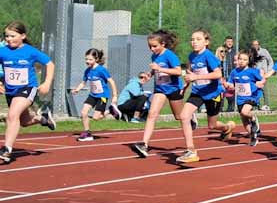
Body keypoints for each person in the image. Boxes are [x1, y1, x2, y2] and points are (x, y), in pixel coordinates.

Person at [0, 21, 56, 163]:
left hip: (27, 88)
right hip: (10, 91)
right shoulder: (2, 51)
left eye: (13, 36)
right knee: (24, 121)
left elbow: (50, 64)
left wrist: (47, 83)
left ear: (23, 36)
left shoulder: (30, 51)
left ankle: (6, 150)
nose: (9, 39)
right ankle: (43, 119)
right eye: (7, 36)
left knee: (12, 115)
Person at [130, 29, 186, 160]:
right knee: (152, 114)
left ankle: (190, 117)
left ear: (163, 44)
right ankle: (144, 144)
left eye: (154, 46)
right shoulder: (154, 56)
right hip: (160, 89)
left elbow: (178, 72)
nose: (152, 49)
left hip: (173, 88)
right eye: (150, 46)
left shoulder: (170, 55)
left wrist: (160, 69)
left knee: (179, 117)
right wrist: (150, 74)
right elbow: (155, 69)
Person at [176, 29, 226, 163]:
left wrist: (197, 77)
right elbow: (190, 73)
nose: (194, 42)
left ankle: (227, 128)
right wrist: (185, 86)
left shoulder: (209, 56)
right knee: (184, 116)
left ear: (206, 42)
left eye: (198, 39)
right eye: (192, 39)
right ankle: (191, 150)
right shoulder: (192, 56)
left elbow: (218, 74)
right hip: (197, 92)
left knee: (212, 125)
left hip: (213, 93)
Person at [71, 48, 118, 141]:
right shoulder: (87, 71)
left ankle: (110, 111)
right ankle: (87, 133)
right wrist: (77, 89)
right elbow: (83, 83)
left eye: (90, 59)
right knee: (84, 112)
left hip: (102, 96)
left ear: (96, 59)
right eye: (86, 59)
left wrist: (115, 96)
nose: (87, 61)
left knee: (96, 118)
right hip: (92, 95)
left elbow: (111, 81)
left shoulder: (101, 70)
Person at [222, 51, 264, 145]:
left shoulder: (252, 71)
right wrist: (227, 85)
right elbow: (231, 84)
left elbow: (262, 79)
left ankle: (253, 117)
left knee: (244, 112)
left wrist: (261, 83)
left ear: (248, 61)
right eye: (240, 59)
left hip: (252, 96)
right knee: (244, 120)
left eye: (244, 60)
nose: (241, 61)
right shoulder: (234, 72)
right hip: (240, 98)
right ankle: (253, 137)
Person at [220, 36, 236, 113]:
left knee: (231, 92)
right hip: (223, 74)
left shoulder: (234, 52)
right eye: (228, 41)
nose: (230, 43)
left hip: (231, 75)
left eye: (231, 42)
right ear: (225, 42)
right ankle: (220, 107)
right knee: (222, 91)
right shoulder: (222, 51)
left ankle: (231, 107)